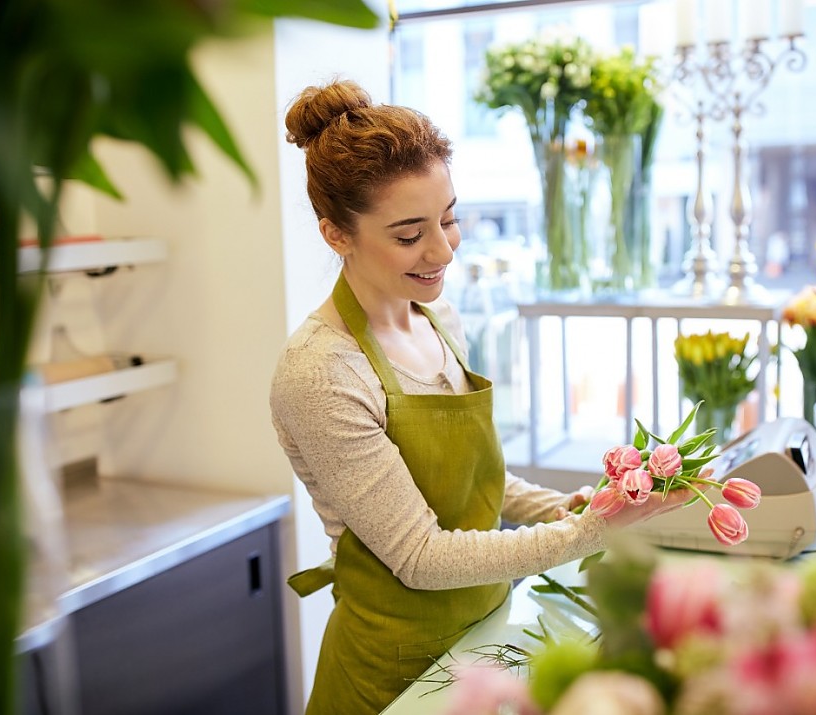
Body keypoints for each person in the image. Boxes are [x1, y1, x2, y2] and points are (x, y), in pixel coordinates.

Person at [270, 78, 691, 715]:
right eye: (410, 235)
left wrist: (564, 506)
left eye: (449, 218)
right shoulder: (322, 374)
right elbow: (420, 556)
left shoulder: (439, 318)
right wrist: (587, 532)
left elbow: (474, 481)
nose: (443, 250)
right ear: (336, 235)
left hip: (483, 635)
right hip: (394, 671)